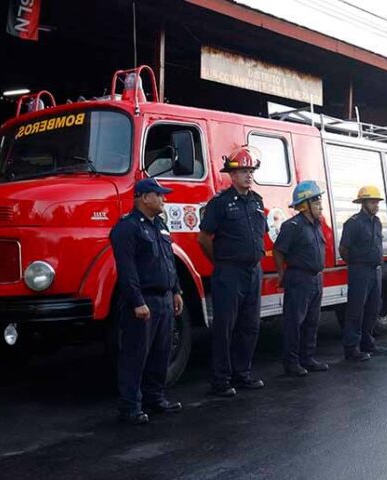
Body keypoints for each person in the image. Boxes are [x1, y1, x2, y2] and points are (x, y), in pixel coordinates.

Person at [110, 178, 184, 425]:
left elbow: (168, 261)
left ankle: (155, 398)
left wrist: (176, 290)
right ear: (144, 197)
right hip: (143, 301)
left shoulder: (160, 225)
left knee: (161, 354)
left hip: (164, 298)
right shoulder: (127, 228)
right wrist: (136, 301)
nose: (164, 198)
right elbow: (127, 270)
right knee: (136, 355)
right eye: (159, 195)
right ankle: (130, 406)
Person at [198, 146, 268, 397]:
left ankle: (243, 374)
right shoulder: (220, 203)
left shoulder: (257, 202)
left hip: (253, 271)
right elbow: (204, 238)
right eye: (243, 171)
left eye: (251, 171)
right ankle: (221, 379)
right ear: (232, 175)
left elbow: (261, 236)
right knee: (225, 327)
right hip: (229, 272)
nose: (248, 176)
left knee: (250, 326)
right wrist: (220, 262)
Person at [273, 181, 329, 376]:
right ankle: (291, 362)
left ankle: (308, 358)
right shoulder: (293, 226)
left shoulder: (316, 225)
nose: (321, 206)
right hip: (299, 278)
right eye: (316, 202)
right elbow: (279, 251)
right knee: (294, 322)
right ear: (304, 204)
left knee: (312, 321)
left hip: (315, 279)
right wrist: (282, 274)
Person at [339, 185, 387, 361]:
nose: (376, 205)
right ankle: (351, 347)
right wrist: (356, 264)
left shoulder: (376, 222)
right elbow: (344, 249)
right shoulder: (353, 223)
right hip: (359, 270)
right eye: (372, 202)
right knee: (356, 310)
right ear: (363, 203)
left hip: (375, 270)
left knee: (372, 308)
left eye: (377, 201)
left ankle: (367, 343)